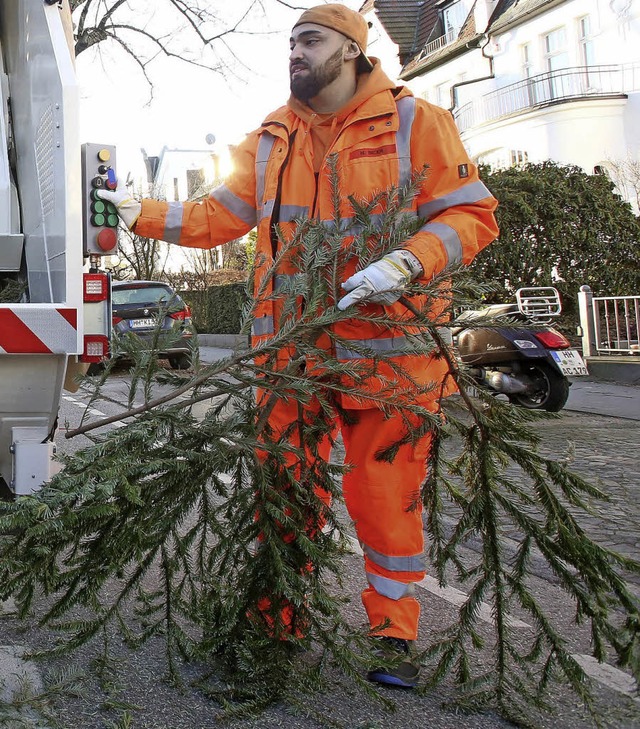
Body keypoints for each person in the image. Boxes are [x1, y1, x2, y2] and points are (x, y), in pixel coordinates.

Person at [99, 3, 499, 688]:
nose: (295, 53)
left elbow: (471, 213)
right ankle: (275, 621)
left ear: (350, 49)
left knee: (385, 494)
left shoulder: (414, 122)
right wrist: (142, 212)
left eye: (309, 41)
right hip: (292, 356)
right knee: (284, 491)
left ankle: (393, 635)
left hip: (391, 352)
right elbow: (215, 215)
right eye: (289, 43)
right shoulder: (274, 136)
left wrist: (408, 261)